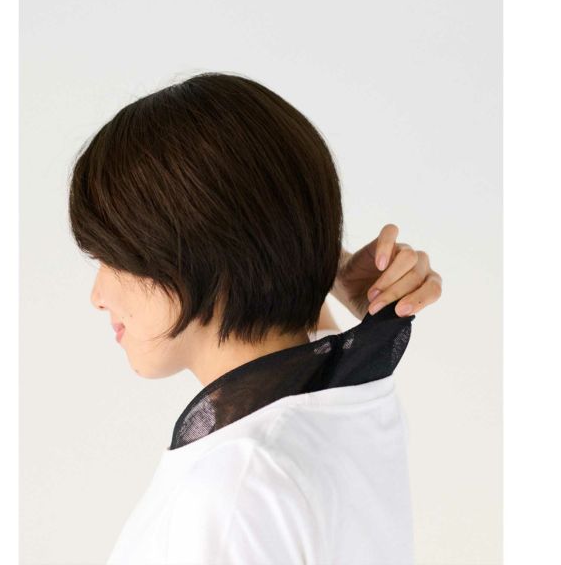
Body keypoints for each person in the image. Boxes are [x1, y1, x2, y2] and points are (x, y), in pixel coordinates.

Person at [68, 71, 442, 564]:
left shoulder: (236, 487)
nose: (98, 296)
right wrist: (324, 265)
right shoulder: (349, 404)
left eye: (113, 258)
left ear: (199, 252)